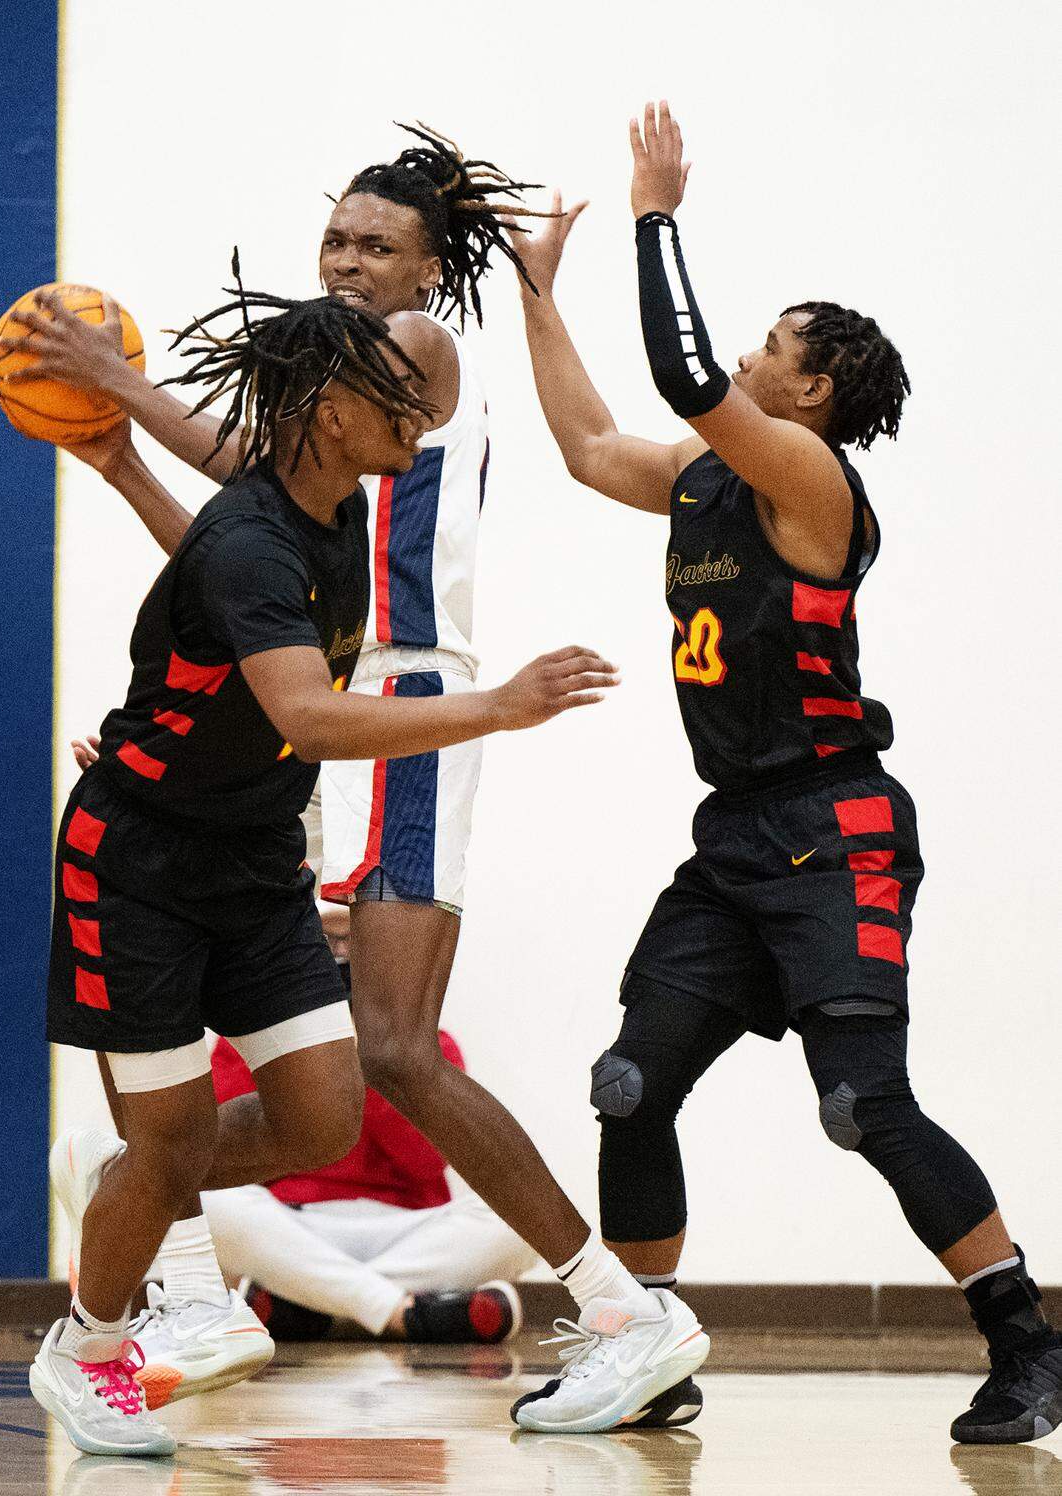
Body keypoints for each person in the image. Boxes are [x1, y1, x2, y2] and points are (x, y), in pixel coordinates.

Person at [12, 126, 713, 1435]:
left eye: (376, 243)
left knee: (390, 1044)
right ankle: (174, 1262)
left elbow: (245, 478)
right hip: (317, 709)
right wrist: (182, 725)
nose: (344, 259)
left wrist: (121, 384)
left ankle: (616, 1306)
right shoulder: (316, 456)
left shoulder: (414, 353)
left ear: (431, 269)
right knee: (300, 1053)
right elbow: (239, 550)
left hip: (394, 700)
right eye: (333, 236)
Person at [504, 100, 1062, 1445]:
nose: (750, 355)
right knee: (631, 1082)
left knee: (861, 1106)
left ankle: (1029, 1346)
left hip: (838, 827)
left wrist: (654, 216)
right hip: (738, 837)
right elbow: (589, 448)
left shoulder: (809, 479)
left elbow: (688, 373)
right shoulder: (707, 477)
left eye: (773, 345)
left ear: (810, 392)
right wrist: (537, 294)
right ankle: (648, 1350)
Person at [206, 1029, 537, 1343]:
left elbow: (426, 1161)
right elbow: (230, 1154)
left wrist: (369, 1057)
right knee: (210, 1202)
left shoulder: (428, 1044)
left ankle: (313, 1301)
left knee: (523, 1219)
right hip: (296, 1227)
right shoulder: (247, 1037)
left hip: (408, 1233)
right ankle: (406, 1313)